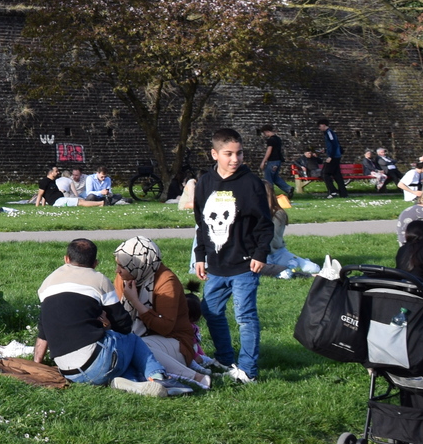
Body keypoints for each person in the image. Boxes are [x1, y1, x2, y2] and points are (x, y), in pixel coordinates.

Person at [32, 238, 168, 397]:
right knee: (131, 340)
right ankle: (159, 377)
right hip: (97, 364)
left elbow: (43, 332)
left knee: (120, 353)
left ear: (66, 259)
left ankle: (130, 382)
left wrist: (37, 363)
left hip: (68, 371)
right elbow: (124, 326)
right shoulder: (99, 280)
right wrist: (109, 323)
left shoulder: (47, 284)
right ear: (95, 263)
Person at [192, 128, 270, 384]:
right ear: (215, 154)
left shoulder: (251, 183)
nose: (235, 159)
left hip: (245, 264)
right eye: (229, 154)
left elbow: (264, 224)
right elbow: (201, 223)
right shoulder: (205, 182)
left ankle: (248, 371)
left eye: (239, 153)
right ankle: (225, 359)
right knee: (211, 311)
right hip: (216, 264)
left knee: (245, 317)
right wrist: (200, 255)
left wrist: (260, 253)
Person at [112, 236, 212, 390]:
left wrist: (136, 302)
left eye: (122, 266)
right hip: (142, 337)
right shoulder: (123, 278)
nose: (117, 270)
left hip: (175, 341)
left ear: (138, 265)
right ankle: (146, 380)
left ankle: (195, 377)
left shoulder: (166, 281)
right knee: (121, 344)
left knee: (136, 345)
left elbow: (165, 327)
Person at [262, 193, 320, 277]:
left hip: (277, 252)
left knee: (314, 268)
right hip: (261, 256)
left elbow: (274, 241)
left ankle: (299, 263)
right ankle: (299, 272)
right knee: (285, 274)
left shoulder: (278, 214)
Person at [315, 118, 348, 196]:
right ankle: (343, 193)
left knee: (325, 173)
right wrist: (326, 150)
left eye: (320, 126)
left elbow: (334, 144)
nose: (319, 128)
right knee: (337, 175)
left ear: (323, 125)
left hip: (334, 156)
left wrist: (330, 156)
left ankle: (333, 191)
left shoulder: (329, 133)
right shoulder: (330, 133)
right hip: (336, 156)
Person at [258, 125, 291, 197]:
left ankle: (269, 194)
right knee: (275, 178)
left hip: (272, 161)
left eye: (264, 133)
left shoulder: (271, 140)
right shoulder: (278, 139)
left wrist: (263, 161)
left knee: (268, 178)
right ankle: (288, 188)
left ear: (266, 131)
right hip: (278, 160)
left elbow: (269, 151)